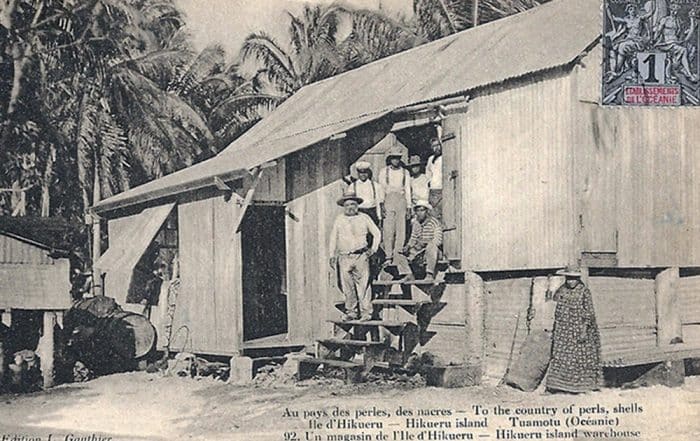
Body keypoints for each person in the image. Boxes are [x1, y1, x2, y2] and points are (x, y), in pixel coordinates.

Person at [546, 267, 603, 394]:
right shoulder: (562, 290)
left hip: (579, 330)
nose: (571, 282)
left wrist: (584, 330)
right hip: (563, 331)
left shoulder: (584, 292)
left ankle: (581, 388)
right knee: (560, 357)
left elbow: (589, 313)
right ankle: (556, 386)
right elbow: (554, 300)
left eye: (573, 279)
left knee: (579, 358)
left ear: (578, 279)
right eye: (568, 279)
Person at [329, 191, 381, 321]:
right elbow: (333, 238)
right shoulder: (339, 219)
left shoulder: (364, 218)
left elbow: (377, 233)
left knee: (363, 285)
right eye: (347, 205)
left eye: (353, 204)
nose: (350, 207)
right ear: (343, 207)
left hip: (361, 256)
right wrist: (331, 255)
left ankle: (366, 313)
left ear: (357, 205)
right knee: (347, 286)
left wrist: (373, 249)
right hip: (344, 257)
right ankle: (351, 312)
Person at [394, 201, 443, 283]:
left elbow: (438, 240)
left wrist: (425, 243)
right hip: (419, 251)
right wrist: (408, 246)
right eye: (417, 211)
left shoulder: (435, 223)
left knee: (432, 247)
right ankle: (408, 274)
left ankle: (429, 274)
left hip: (432, 252)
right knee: (399, 252)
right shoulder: (416, 223)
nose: (419, 213)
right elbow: (413, 238)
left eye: (422, 210)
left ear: (427, 211)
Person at [377, 147, 411, 263]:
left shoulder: (405, 172)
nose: (396, 160)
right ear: (390, 159)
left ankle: (398, 255)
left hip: (401, 200)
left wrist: (409, 207)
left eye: (398, 158)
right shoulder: (383, 172)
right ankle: (388, 256)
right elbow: (381, 190)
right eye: (393, 158)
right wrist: (381, 205)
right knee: (388, 229)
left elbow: (407, 190)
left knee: (401, 228)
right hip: (388, 200)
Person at [347, 161, 384, 226]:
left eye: (365, 173)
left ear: (368, 173)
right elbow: (350, 203)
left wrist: (379, 217)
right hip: (359, 212)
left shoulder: (375, 185)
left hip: (372, 212)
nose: (363, 175)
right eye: (361, 173)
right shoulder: (353, 186)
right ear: (358, 174)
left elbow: (378, 202)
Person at [425, 138, 443, 220]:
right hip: (433, 190)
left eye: (438, 145)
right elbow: (428, 172)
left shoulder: (443, 158)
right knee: (433, 214)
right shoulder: (430, 159)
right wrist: (429, 181)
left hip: (441, 188)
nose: (437, 148)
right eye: (434, 146)